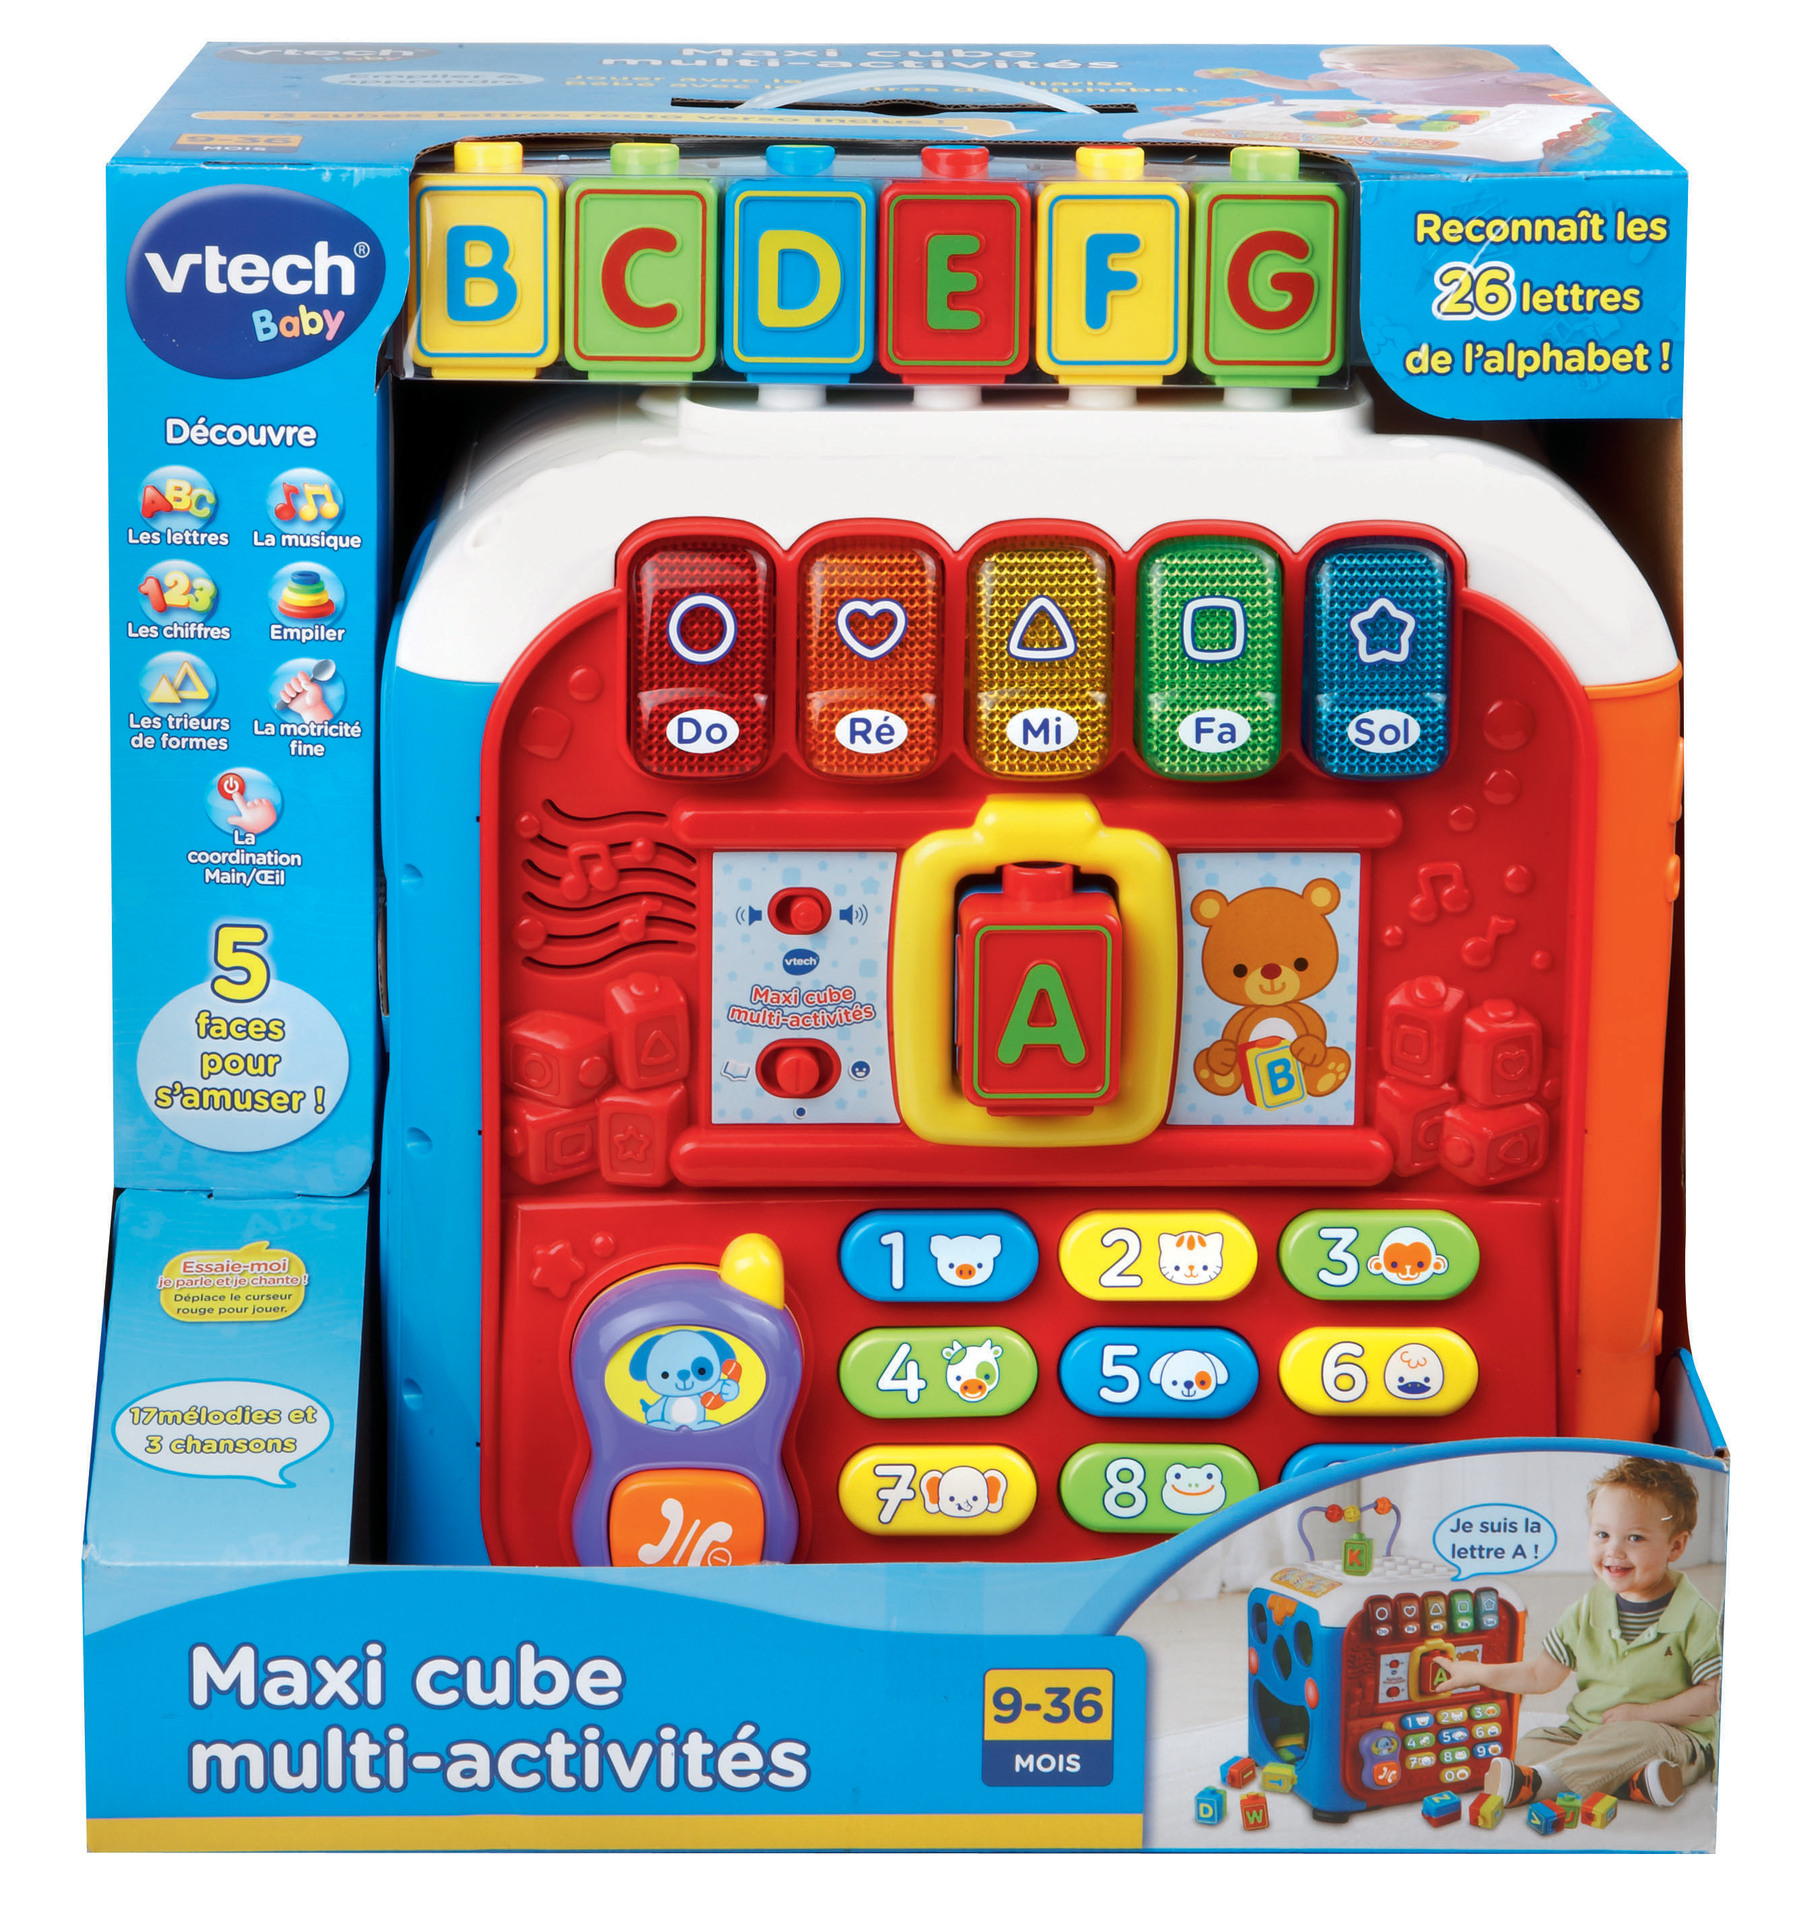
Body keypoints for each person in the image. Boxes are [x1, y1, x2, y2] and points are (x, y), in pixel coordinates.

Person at [1435, 1457, 1719, 1807]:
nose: (1613, 1550)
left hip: (1668, 1733)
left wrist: (1642, 1714)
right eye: (1602, 1535)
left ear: (1675, 1546)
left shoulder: (1695, 1614)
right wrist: (1475, 1672)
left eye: (1634, 1537)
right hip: (1588, 1732)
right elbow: (1539, 1675)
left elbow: (1711, 1697)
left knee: (1637, 1739)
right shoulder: (1585, 1611)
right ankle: (1633, 1782)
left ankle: (1542, 1781)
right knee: (1532, 1744)